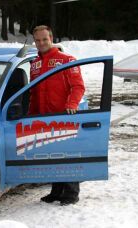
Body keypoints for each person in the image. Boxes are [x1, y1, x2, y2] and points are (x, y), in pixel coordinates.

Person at [28, 25, 85, 206]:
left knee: (66, 154)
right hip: (44, 118)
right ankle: (56, 191)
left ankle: (71, 193)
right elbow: (34, 93)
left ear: (51, 38)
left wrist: (71, 105)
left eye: (45, 39)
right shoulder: (35, 64)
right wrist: (31, 115)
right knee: (52, 155)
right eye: (38, 40)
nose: (41, 43)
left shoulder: (67, 60)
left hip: (64, 116)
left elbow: (78, 86)